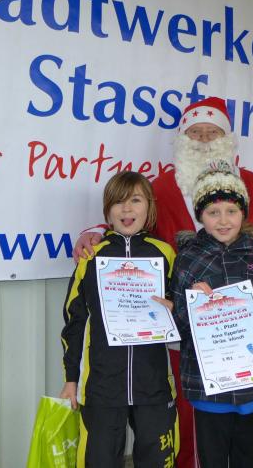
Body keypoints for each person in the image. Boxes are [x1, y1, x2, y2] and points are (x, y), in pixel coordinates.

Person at [73, 95, 253, 468]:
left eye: (213, 132)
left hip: (246, 333)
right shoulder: (161, 187)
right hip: (187, 331)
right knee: (195, 423)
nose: (205, 139)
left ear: (227, 139)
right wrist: (95, 232)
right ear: (182, 139)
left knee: (249, 430)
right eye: (196, 132)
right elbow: (132, 222)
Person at [171, 161, 253, 467]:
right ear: (200, 216)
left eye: (231, 210)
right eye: (212, 212)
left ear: (243, 212)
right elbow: (177, 328)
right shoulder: (188, 260)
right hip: (209, 396)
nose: (223, 220)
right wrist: (195, 305)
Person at [60, 171, 178, 467]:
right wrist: (71, 379)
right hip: (101, 386)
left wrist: (178, 308)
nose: (126, 208)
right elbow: (74, 321)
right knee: (99, 460)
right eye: (118, 202)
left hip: (154, 384)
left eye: (135, 200)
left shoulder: (164, 254)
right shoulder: (91, 256)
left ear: (149, 207)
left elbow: (183, 315)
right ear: (107, 211)